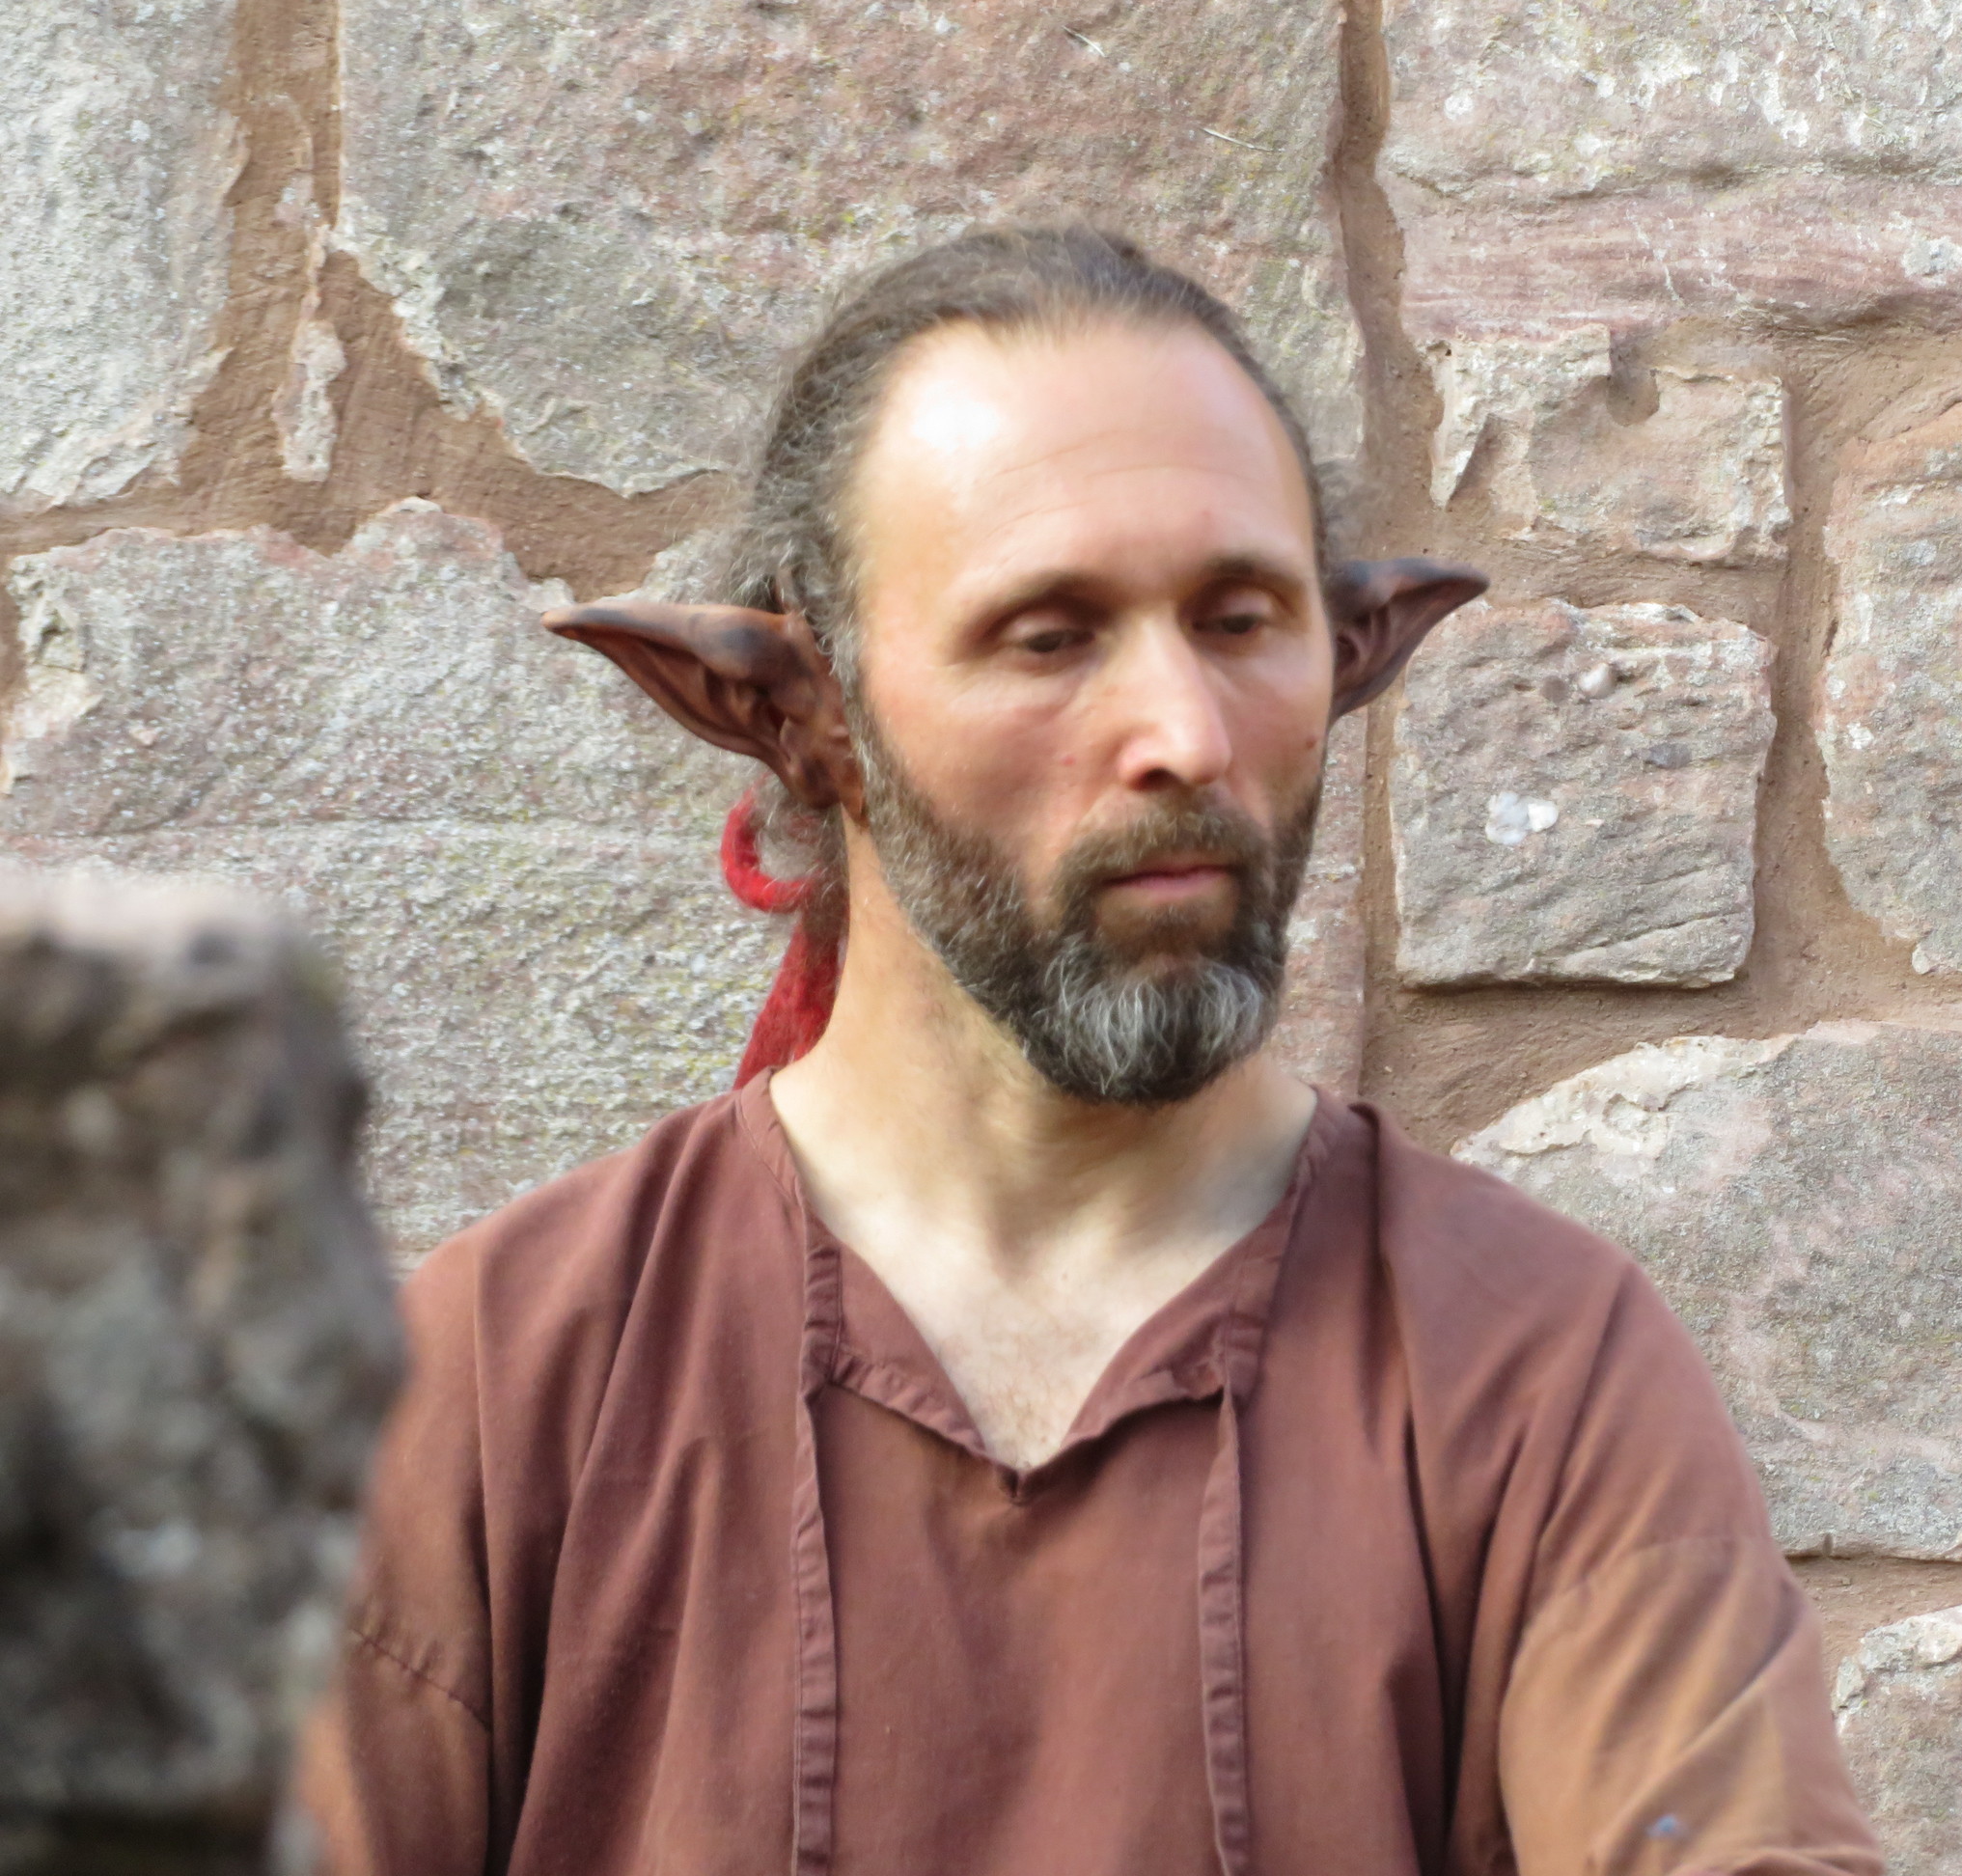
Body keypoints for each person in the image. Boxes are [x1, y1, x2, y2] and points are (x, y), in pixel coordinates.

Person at [296, 227, 1880, 1876]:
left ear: (1347, 650)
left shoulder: (1534, 1367)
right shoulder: (494, 1392)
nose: (1185, 736)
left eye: (1241, 619)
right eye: (1049, 637)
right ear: (800, 711)